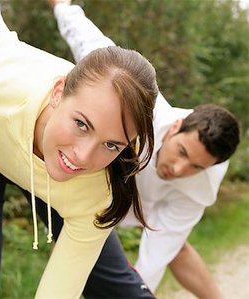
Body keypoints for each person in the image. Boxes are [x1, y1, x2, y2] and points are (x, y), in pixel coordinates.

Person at [0, 0, 159, 298]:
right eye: (82, 124)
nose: (84, 155)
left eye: (110, 144)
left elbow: (58, 292)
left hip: (64, 179)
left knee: (121, 292)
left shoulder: (99, 190)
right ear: (57, 93)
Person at [46, 1, 241, 298]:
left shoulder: (198, 187)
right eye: (183, 154)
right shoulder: (146, 114)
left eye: (196, 167)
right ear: (175, 127)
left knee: (172, 248)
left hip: (105, 201)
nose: (178, 171)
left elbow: (156, 256)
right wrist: (62, 7)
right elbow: (92, 45)